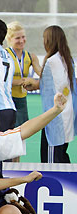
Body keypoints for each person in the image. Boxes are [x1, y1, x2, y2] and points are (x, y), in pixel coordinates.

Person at [38, 25, 77, 163]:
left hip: (55, 118)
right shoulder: (67, 59)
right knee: (62, 155)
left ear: (49, 40)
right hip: (68, 114)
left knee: (51, 161)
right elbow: (63, 87)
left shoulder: (51, 61)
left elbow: (50, 89)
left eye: (44, 38)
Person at [5, 21, 42, 129]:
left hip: (22, 100)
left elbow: (41, 73)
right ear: (9, 39)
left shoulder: (31, 56)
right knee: (8, 133)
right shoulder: (4, 55)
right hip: (8, 99)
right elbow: (1, 80)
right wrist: (23, 81)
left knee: (23, 132)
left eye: (23, 37)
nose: (21, 41)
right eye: (17, 38)